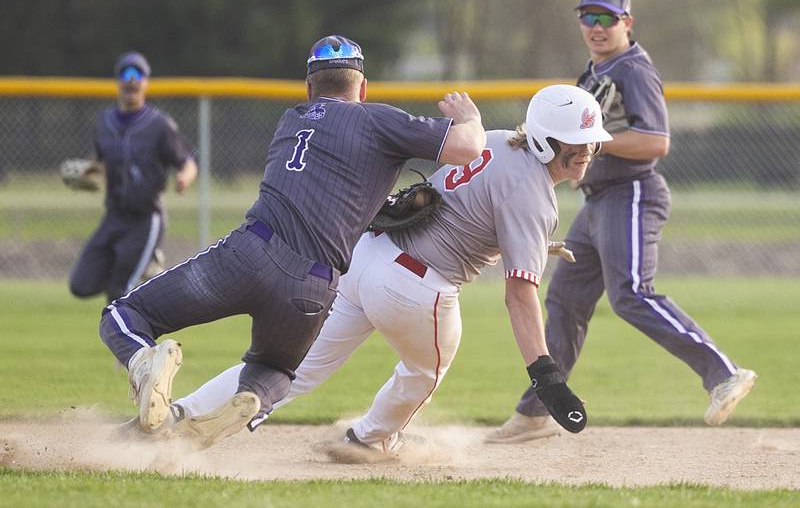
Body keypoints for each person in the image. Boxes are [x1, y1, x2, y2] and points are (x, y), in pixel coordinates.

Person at [147, 84, 611, 456]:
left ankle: (178, 415)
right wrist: (545, 374)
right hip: (416, 288)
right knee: (426, 369)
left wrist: (531, 243)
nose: (589, 150)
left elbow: (469, 206)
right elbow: (519, 296)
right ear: (544, 142)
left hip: (365, 260)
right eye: (578, 143)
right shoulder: (535, 194)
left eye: (591, 142)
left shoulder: (492, 142)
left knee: (291, 368)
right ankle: (370, 439)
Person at [99, 35, 486, 438]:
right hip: (313, 286)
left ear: (308, 88)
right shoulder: (379, 120)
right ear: (363, 87)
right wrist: (471, 117)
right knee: (277, 370)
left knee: (123, 316)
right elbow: (468, 147)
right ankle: (252, 399)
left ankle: (145, 363)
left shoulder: (291, 119)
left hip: (249, 255)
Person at [485, 0, 757, 444]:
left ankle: (723, 374)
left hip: (631, 192)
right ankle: (536, 413)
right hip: (598, 202)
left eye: (606, 17)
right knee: (564, 300)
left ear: (626, 23)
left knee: (630, 293)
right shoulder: (594, 71)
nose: (596, 26)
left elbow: (656, 141)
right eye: (588, 17)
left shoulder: (633, 69)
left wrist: (591, 142)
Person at [69, 52, 198, 302]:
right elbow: (99, 162)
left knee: (119, 292)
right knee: (81, 285)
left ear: (146, 82)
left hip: (146, 218)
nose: (131, 80)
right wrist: (86, 174)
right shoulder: (104, 122)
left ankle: (130, 331)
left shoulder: (159, 124)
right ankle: (144, 271)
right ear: (117, 81)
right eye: (125, 74)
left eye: (137, 74)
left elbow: (188, 162)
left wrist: (184, 178)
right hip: (114, 216)